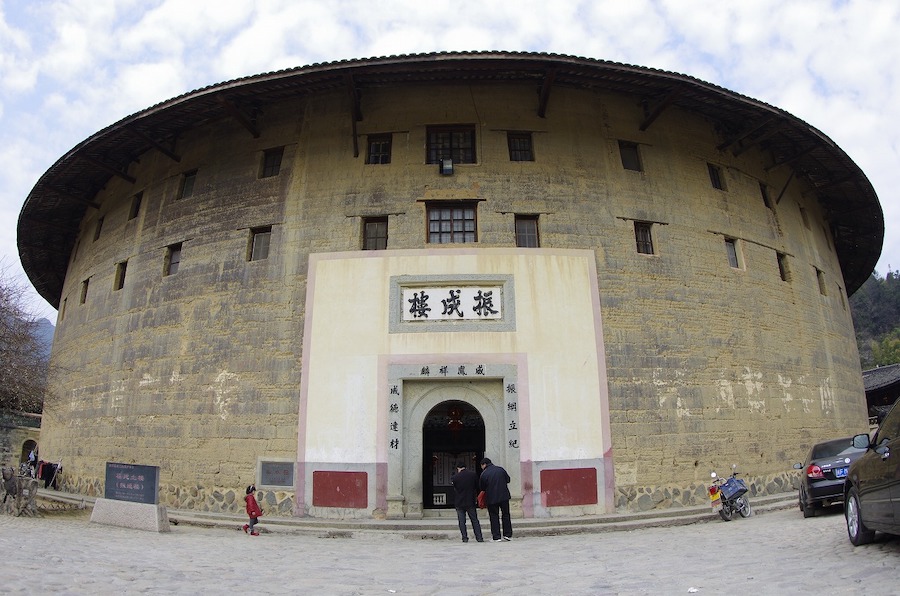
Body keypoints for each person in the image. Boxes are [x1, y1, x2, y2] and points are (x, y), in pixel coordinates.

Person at [479, 457, 512, 542]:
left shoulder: (484, 474)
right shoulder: (501, 470)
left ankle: (496, 536)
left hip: (491, 498)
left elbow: (482, 487)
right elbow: (508, 480)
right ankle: (507, 535)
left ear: (484, 465)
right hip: (504, 496)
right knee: (506, 515)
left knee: (494, 516)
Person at [450, 461, 484, 543]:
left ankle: (464, 538)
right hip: (470, 501)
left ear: (458, 468)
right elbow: (477, 486)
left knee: (462, 521)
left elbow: (455, 488)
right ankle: (479, 537)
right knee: (474, 520)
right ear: (465, 467)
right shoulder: (473, 475)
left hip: (459, 502)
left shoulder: (455, 477)